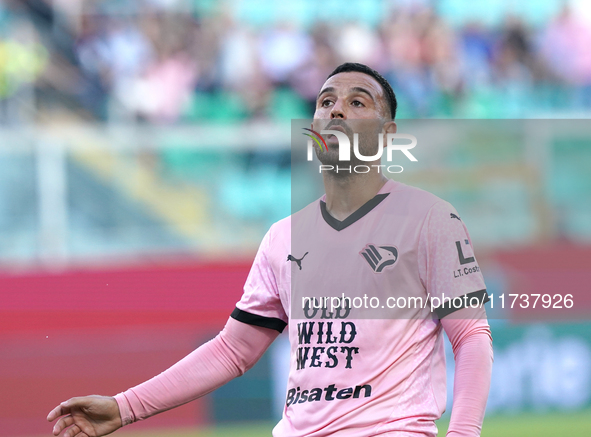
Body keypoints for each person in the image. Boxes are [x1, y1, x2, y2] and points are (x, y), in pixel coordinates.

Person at [48, 63, 493, 437]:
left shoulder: (428, 219)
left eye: (358, 102)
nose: (336, 109)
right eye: (325, 102)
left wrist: (464, 432)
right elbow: (232, 350)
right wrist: (125, 407)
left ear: (388, 132)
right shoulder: (284, 237)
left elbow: (471, 336)